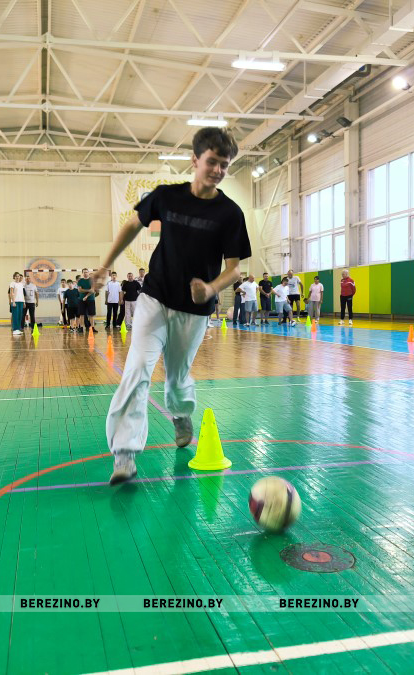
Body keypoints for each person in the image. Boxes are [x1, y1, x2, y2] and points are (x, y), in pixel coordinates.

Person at [92, 127, 251, 485]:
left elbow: (234, 269)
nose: (218, 170)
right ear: (195, 160)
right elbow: (132, 225)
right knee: (137, 370)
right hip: (154, 299)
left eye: (225, 165)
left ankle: (180, 414)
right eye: (212, 162)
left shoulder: (230, 213)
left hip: (194, 312)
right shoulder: (167, 196)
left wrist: (211, 288)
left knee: (177, 376)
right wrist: (104, 266)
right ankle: (125, 453)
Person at [78, 268, 98, 333]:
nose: (85, 273)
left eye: (86, 272)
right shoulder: (80, 281)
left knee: (91, 314)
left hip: (91, 299)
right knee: (81, 314)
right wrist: (88, 290)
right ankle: (81, 328)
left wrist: (86, 296)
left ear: (88, 273)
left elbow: (92, 290)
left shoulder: (92, 280)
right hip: (81, 299)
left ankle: (92, 327)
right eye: (84, 272)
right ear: (82, 273)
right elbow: (80, 290)